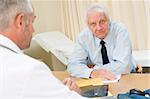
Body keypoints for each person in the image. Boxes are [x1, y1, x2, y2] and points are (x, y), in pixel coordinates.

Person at [0, 0, 88, 98]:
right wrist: (73, 94)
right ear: (20, 21)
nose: (33, 30)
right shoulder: (30, 69)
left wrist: (54, 89)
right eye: (32, 21)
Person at [67, 4, 136, 80]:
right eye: (93, 24)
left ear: (108, 21)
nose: (99, 28)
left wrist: (95, 69)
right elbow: (73, 66)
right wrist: (92, 73)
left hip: (126, 76)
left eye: (102, 22)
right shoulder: (83, 37)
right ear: (88, 26)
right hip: (97, 80)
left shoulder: (120, 30)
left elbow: (124, 66)